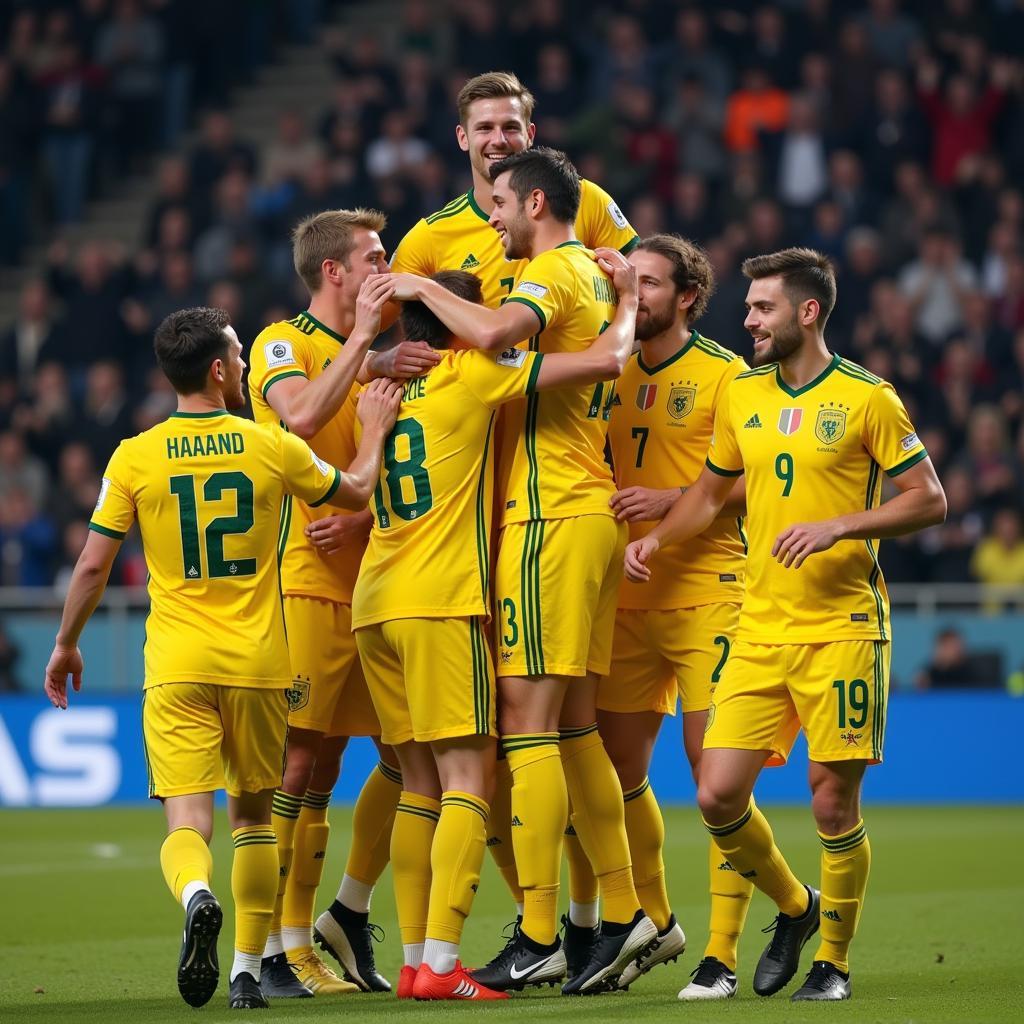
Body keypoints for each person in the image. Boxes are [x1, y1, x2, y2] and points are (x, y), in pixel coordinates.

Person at [43, 306, 402, 1010]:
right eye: (237, 355)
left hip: (177, 663)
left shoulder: (134, 455)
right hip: (260, 663)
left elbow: (90, 568)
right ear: (217, 368)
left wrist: (65, 645)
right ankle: (245, 970)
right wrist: (374, 433)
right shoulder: (268, 445)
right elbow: (355, 492)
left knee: (187, 823)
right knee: (256, 820)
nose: (243, 366)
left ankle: (197, 893)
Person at [625, 248, 946, 1001]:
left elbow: (928, 498)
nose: (748, 320)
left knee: (832, 800)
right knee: (716, 793)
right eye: (747, 307)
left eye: (762, 307)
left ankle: (833, 962)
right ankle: (796, 907)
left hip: (843, 627)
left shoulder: (870, 399)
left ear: (808, 312)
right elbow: (711, 492)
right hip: (761, 623)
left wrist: (843, 526)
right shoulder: (743, 395)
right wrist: (658, 537)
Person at [390, 67, 640, 973]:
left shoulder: (565, 245)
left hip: (543, 511)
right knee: (571, 729)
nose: (497, 137)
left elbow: (512, 340)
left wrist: (633, 294)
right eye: (484, 124)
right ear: (461, 138)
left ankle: (547, 931)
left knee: (521, 734)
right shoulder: (434, 237)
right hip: (511, 513)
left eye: (512, 124)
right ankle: (621, 913)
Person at [358, 258, 638, 1000]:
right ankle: (445, 966)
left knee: (416, 783)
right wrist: (628, 302)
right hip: (439, 600)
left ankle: (416, 960)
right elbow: (603, 360)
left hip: (372, 602)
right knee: (469, 780)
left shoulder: (380, 391)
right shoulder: (473, 374)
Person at [247, 208, 436, 997]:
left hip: (377, 581)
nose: (385, 268)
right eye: (375, 257)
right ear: (336, 272)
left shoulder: (377, 357)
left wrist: (364, 511)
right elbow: (298, 418)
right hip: (305, 583)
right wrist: (366, 348)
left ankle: (346, 914)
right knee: (302, 759)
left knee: (402, 756)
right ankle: (278, 951)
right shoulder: (281, 343)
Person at [600, 234, 755, 997]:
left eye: (651, 283)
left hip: (708, 592)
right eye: (632, 281)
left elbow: (772, 487)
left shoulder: (728, 376)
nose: (639, 293)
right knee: (613, 774)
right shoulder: (609, 362)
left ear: (688, 296)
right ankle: (655, 921)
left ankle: (722, 954)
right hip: (622, 597)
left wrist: (677, 500)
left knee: (712, 777)